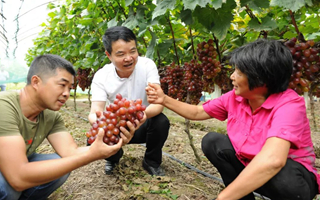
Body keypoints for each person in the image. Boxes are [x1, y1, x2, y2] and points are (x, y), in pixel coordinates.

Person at [146, 39, 320, 200]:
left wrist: (223, 198)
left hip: (293, 182)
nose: (232, 77)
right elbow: (197, 112)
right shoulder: (235, 98)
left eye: (239, 72)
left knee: (283, 177)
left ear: (260, 78)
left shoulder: (289, 104)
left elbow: (273, 161)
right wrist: (164, 99)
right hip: (251, 166)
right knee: (213, 141)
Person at [0, 54, 136, 200]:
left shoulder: (50, 116)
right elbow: (18, 178)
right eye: (61, 85)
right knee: (9, 187)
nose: (66, 94)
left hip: (16, 165)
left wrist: (111, 142)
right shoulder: (4, 106)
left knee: (60, 166)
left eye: (70, 88)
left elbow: (71, 152)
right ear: (36, 82)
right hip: (12, 172)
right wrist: (90, 155)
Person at [88, 26, 170, 176]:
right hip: (118, 126)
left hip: (142, 122)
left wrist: (140, 117)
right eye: (120, 54)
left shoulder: (147, 66)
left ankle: (151, 162)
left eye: (133, 51)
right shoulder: (101, 76)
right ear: (109, 55)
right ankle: (113, 158)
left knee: (161, 121)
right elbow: (94, 112)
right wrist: (103, 124)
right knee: (97, 135)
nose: (129, 58)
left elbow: (158, 103)